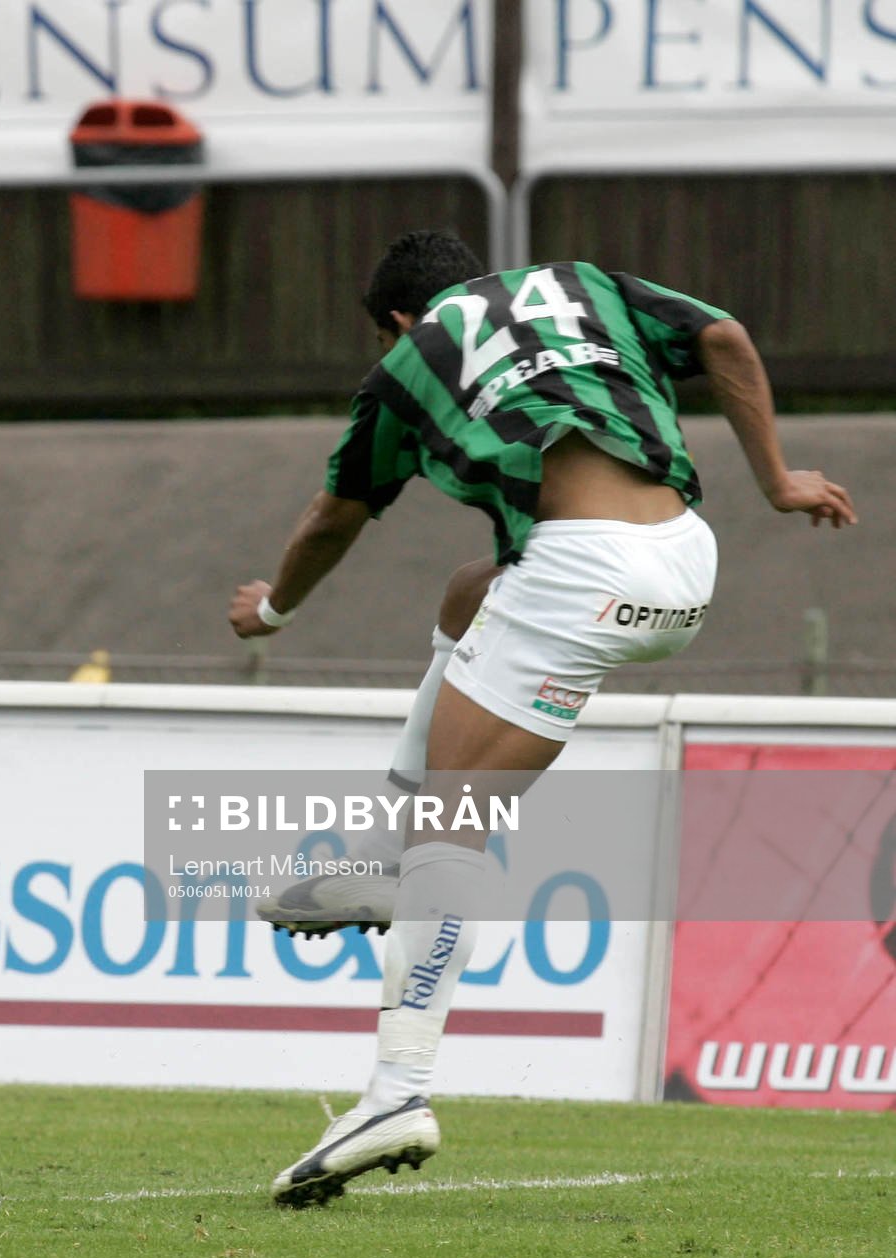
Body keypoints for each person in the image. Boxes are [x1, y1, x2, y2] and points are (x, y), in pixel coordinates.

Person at [227, 229, 855, 1207]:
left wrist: (272, 609)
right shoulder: (581, 284)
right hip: (683, 563)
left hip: (580, 576)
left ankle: (395, 1093)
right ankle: (388, 861)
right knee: (467, 591)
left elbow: (332, 518)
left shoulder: (410, 361)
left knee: (450, 830)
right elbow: (724, 337)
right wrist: (777, 480)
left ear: (397, 317)